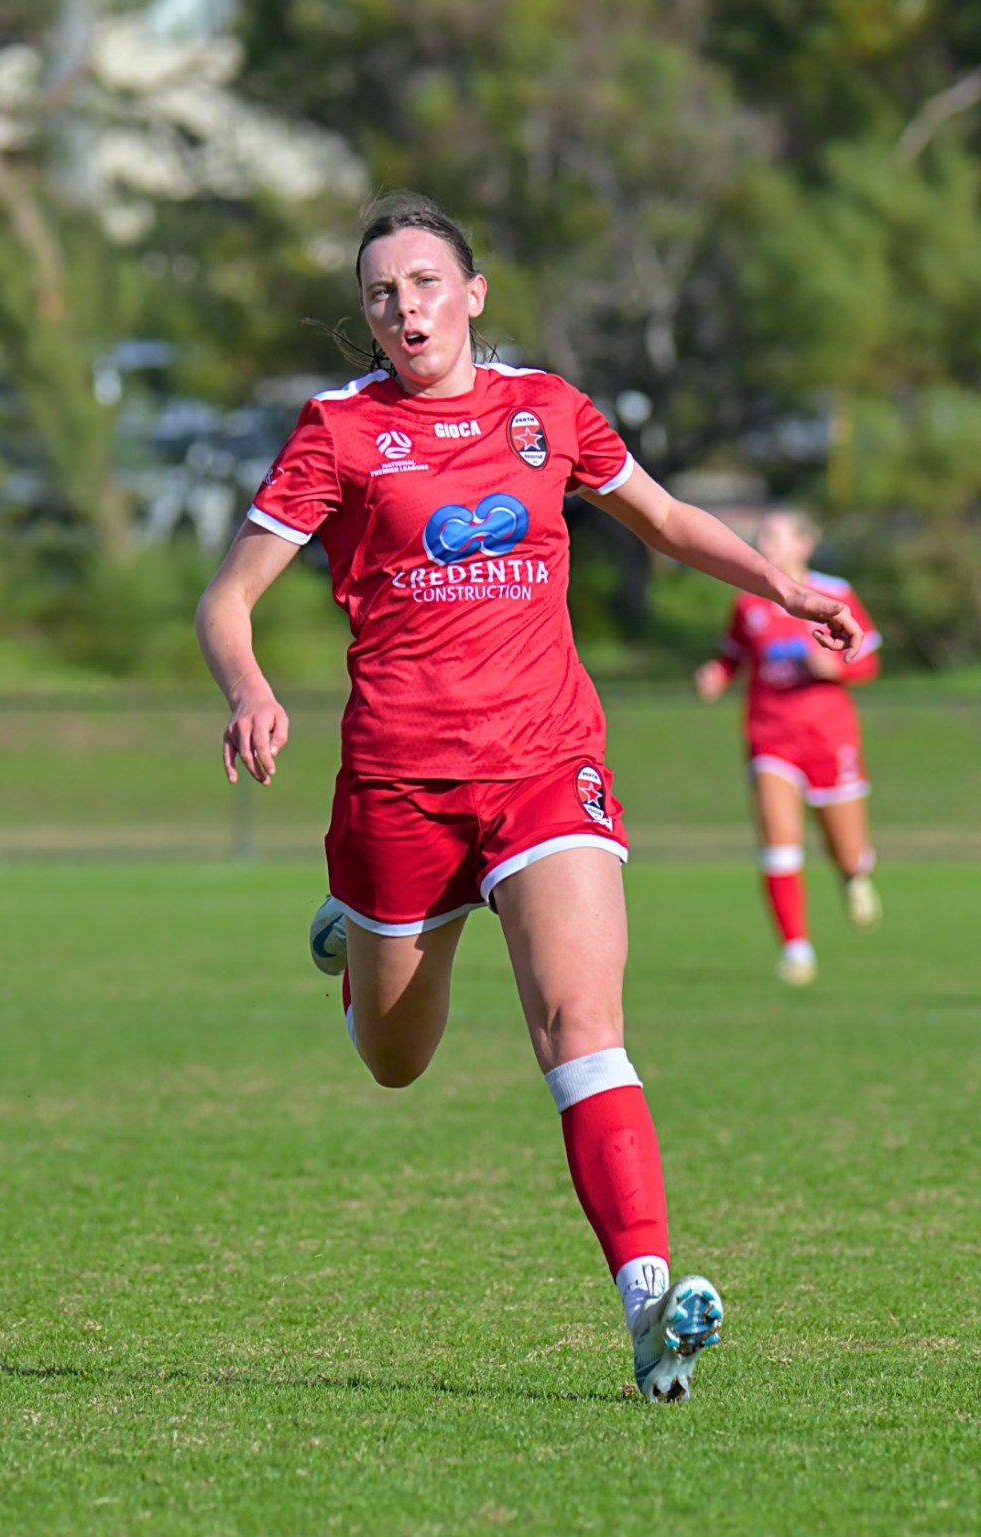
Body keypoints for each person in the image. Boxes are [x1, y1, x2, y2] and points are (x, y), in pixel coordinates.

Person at [194, 191, 865, 1402]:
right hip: (399, 783)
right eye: (380, 294)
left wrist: (780, 587)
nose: (403, 308)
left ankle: (647, 1309)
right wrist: (247, 688)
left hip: (547, 765)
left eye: (423, 283)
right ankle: (357, 935)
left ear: (472, 293)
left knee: (580, 1026)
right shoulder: (337, 430)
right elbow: (227, 599)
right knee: (394, 1058)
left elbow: (663, 518)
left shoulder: (546, 409)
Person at [695, 510, 882, 985]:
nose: (766, 542)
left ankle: (853, 876)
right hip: (770, 738)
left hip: (829, 738)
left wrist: (838, 669)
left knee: (848, 851)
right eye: (762, 535)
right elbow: (731, 656)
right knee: (779, 839)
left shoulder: (835, 594)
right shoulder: (747, 603)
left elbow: (868, 663)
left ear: (805, 544)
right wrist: (716, 675)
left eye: (776, 535)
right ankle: (796, 950)